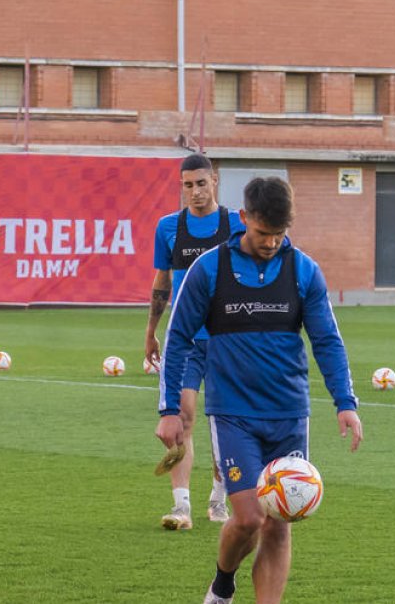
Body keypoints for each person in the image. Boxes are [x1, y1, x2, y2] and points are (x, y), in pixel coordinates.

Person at [155, 177, 362, 604]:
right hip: (233, 414)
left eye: (279, 234)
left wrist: (346, 403)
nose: (270, 243)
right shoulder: (209, 269)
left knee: (279, 521)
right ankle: (223, 583)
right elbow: (177, 339)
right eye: (263, 233)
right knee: (249, 518)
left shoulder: (304, 270)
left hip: (289, 415)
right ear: (244, 218)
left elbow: (327, 340)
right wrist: (169, 408)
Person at [144, 154, 241, 530]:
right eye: (188, 185)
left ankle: (219, 497)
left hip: (228, 341)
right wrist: (151, 330)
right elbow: (162, 283)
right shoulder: (168, 227)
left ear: (214, 181)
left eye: (201, 183)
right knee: (181, 417)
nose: (195, 192)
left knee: (226, 421)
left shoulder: (236, 225)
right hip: (184, 340)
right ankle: (181, 506)